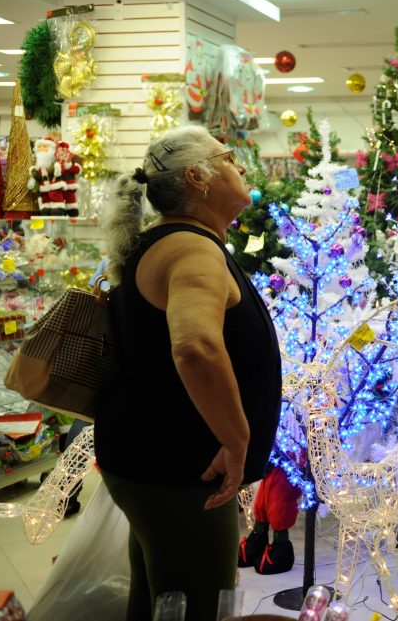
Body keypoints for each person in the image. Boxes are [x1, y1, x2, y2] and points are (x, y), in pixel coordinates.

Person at [95, 125, 282, 621]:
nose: (240, 167)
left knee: (162, 598)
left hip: (159, 459)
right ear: (198, 179)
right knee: (195, 603)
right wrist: (237, 438)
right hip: (181, 469)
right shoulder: (191, 248)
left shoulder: (174, 241)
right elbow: (195, 347)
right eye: (229, 158)